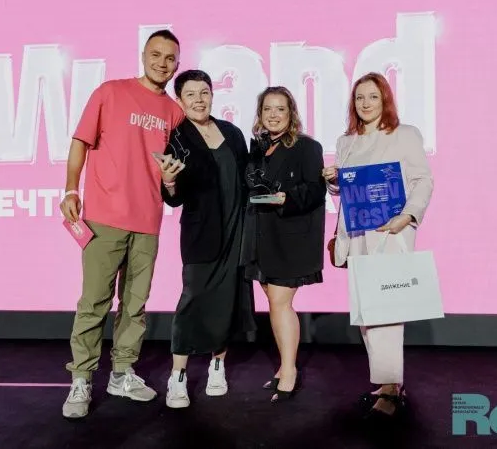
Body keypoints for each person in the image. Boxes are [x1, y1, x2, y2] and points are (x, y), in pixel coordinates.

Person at [59, 30, 186, 419]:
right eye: (156, 54)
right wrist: (70, 189)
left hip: (148, 221)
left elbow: (174, 169)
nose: (162, 63)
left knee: (135, 304)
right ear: (143, 55)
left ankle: (122, 373)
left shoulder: (174, 112)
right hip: (105, 218)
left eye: (170, 58)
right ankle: (81, 378)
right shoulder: (110, 92)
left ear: (177, 65)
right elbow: (80, 142)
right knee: (94, 302)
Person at [323, 72, 434, 421]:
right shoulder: (347, 142)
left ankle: (388, 388)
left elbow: (423, 180)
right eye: (359, 98)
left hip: (389, 233)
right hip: (357, 234)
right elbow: (347, 190)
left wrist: (408, 216)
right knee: (366, 312)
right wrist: (334, 182)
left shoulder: (404, 134)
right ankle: (389, 382)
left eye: (372, 96)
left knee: (386, 309)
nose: (365, 103)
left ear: (385, 99)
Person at [157, 70, 256, 409]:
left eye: (204, 92)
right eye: (191, 94)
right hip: (201, 234)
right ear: (180, 100)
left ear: (213, 95)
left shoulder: (232, 132)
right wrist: (169, 182)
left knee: (227, 301)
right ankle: (178, 375)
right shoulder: (177, 137)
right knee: (193, 300)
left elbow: (248, 178)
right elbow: (173, 198)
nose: (199, 100)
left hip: (236, 232)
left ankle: (218, 365)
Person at [241, 86, 327, 403]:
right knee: (275, 303)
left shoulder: (307, 147)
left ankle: (289, 371)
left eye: (280, 109)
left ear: (291, 113)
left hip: (291, 238)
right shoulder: (258, 149)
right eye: (268, 109)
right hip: (262, 236)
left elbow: (315, 190)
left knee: (279, 303)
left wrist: (285, 198)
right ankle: (283, 366)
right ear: (260, 114)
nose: (274, 115)